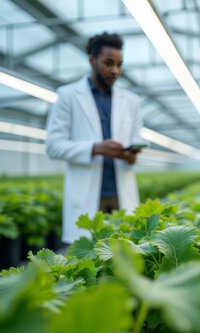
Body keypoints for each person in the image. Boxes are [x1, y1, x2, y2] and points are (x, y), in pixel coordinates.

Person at [46, 32, 145, 244]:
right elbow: (54, 146)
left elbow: (136, 138)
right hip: (88, 196)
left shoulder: (132, 101)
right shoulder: (68, 96)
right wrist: (96, 148)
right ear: (92, 59)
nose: (115, 71)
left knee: (124, 251)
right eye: (108, 63)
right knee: (89, 257)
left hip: (121, 194)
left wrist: (130, 155)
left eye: (119, 64)